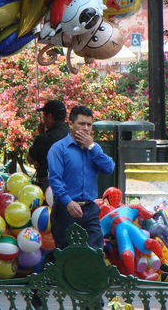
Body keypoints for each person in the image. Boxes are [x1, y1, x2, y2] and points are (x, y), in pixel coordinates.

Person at [47, 105, 115, 250]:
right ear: (71, 124)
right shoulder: (58, 149)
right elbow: (55, 180)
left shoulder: (94, 148)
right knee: (67, 255)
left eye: (89, 125)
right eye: (81, 124)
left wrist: (92, 148)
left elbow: (109, 168)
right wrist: (68, 202)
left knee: (95, 254)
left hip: (90, 209)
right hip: (66, 209)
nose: (86, 128)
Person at [26, 100, 70, 189]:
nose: (43, 120)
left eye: (44, 116)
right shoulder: (72, 135)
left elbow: (30, 159)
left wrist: (40, 135)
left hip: (47, 189)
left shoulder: (43, 139)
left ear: (49, 116)